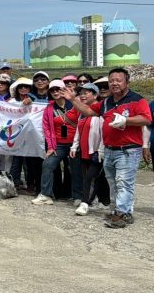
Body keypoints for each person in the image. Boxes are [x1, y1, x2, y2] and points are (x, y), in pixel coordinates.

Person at [64, 68, 152, 228]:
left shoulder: (137, 100)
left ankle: (121, 214)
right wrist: (73, 100)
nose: (114, 83)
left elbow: (146, 119)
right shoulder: (106, 102)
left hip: (128, 149)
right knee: (113, 182)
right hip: (110, 149)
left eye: (118, 80)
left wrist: (126, 120)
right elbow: (88, 111)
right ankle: (121, 211)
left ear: (127, 82)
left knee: (123, 182)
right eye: (111, 81)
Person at [33, 80, 81, 206]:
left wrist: (79, 143)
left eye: (58, 89)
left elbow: (82, 121)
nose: (55, 92)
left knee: (75, 169)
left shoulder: (74, 104)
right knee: (47, 165)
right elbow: (47, 129)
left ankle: (78, 196)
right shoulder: (49, 108)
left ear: (64, 90)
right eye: (52, 90)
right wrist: (50, 146)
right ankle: (46, 195)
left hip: (74, 143)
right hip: (58, 144)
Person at [69, 83, 111, 216]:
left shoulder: (100, 111)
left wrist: (101, 150)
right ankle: (105, 201)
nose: (82, 95)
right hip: (84, 151)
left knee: (90, 177)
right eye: (81, 93)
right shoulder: (83, 112)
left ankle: (85, 203)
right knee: (96, 177)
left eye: (86, 93)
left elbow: (104, 132)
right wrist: (74, 146)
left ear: (95, 95)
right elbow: (78, 130)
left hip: (96, 151)